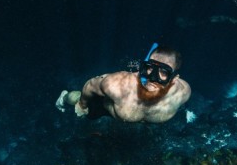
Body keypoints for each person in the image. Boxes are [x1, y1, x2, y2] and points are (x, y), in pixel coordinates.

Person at [56, 43, 191, 123]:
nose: (152, 77)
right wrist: (82, 104)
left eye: (163, 72)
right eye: (149, 68)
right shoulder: (118, 85)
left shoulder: (183, 92)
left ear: (174, 79)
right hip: (105, 108)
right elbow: (91, 85)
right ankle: (63, 97)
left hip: (132, 117)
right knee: (76, 99)